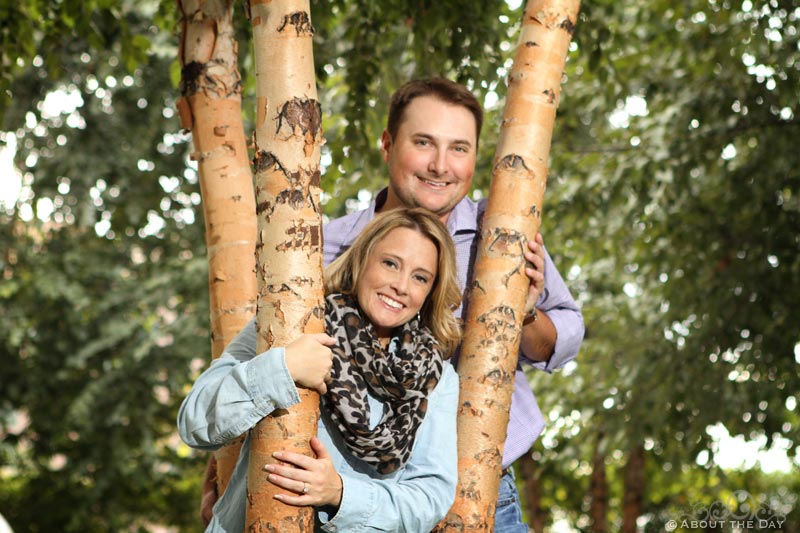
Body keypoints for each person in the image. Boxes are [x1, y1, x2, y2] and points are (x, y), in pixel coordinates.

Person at [201, 77, 585, 530]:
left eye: (459, 149)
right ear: (387, 144)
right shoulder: (324, 245)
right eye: (424, 142)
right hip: (345, 478)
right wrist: (228, 472)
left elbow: (564, 339)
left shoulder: (500, 232)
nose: (441, 165)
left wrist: (520, 306)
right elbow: (265, 361)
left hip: (483, 479)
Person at [179, 207, 464, 532]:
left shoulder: (437, 378)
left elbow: (429, 498)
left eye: (420, 277)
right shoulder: (291, 321)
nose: (401, 285)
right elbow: (195, 422)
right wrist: (282, 369)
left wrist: (340, 494)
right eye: (390, 263)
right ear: (362, 260)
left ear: (430, 291)